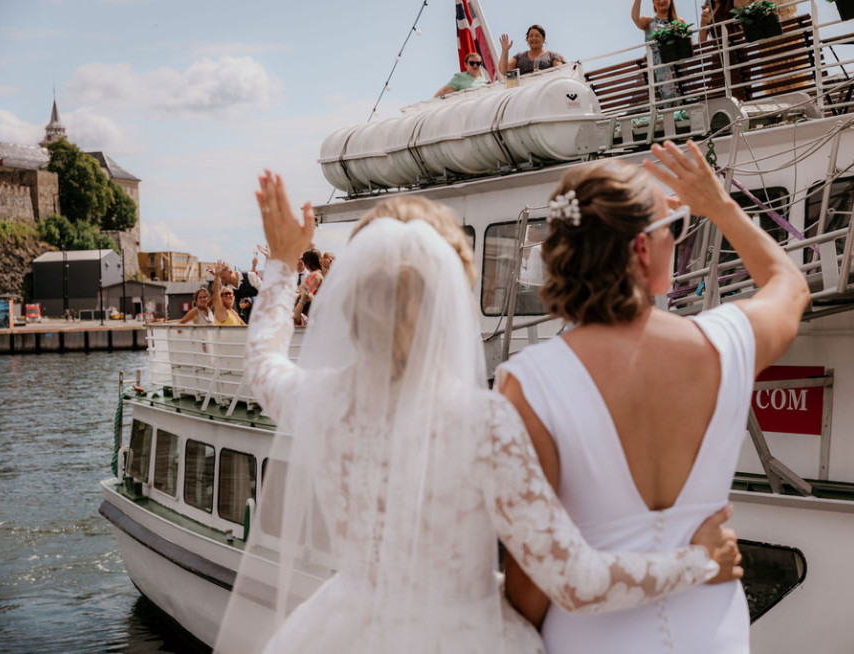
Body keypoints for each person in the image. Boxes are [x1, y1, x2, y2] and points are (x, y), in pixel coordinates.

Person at [215, 172, 743, 654]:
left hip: (344, 630)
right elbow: (575, 581)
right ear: (452, 298)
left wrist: (282, 262)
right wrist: (699, 561)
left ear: (349, 298)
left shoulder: (317, 400)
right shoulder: (483, 422)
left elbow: (262, 362)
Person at [497, 143, 810, 653]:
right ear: (642, 249)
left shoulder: (529, 383)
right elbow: (789, 284)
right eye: (674, 229)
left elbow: (529, 583)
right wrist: (720, 207)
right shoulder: (725, 344)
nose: (677, 242)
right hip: (713, 636)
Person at [631, 0, 683, 103]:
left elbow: (688, 48)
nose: (661, 1)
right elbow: (635, 18)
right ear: (653, 1)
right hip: (652, 80)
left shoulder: (679, 22)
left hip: (676, 79)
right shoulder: (648, 23)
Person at [498, 25, 566, 77]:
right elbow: (504, 72)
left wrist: (543, 74)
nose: (534, 38)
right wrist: (505, 51)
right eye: (531, 36)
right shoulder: (519, 57)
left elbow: (560, 73)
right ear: (527, 39)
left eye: (537, 36)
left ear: (543, 39)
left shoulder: (552, 56)